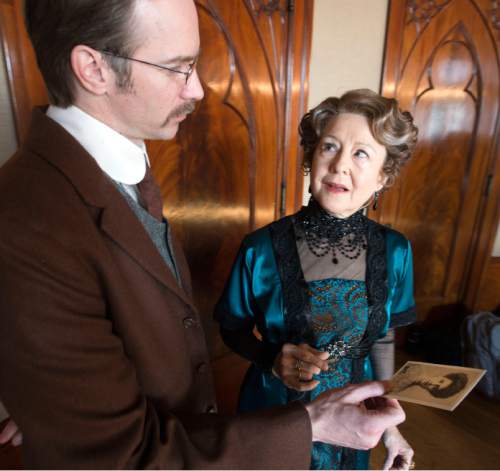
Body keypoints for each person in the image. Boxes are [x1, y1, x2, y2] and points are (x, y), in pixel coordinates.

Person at [0, 1, 406, 468]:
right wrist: (311, 423)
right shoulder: (29, 223)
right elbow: (122, 456)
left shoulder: (123, 170)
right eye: (178, 67)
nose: (197, 87)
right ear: (94, 69)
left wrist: (56, 398)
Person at [215, 89, 419, 470]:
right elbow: (231, 328)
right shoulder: (260, 248)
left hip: (355, 424)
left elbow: (383, 337)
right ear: (311, 157)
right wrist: (272, 358)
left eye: (361, 153)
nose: (340, 164)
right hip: (274, 418)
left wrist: (391, 427)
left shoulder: (395, 251)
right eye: (329, 146)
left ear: (383, 176)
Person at [390, 364, 468, 399]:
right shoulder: (417, 368)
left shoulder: (400, 390)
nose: (433, 383)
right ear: (439, 376)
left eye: (435, 388)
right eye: (441, 381)